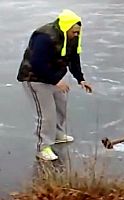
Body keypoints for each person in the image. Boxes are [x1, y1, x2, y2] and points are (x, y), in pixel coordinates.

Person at [17, 9, 92, 161]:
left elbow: (73, 58)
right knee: (46, 115)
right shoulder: (44, 37)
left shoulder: (71, 38)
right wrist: (56, 80)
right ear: (66, 28)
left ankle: (56, 134)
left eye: (78, 32)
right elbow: (37, 63)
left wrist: (80, 79)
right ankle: (42, 147)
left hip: (52, 77)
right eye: (74, 32)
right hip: (34, 78)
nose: (76, 35)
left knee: (60, 106)